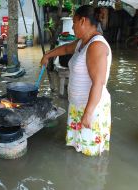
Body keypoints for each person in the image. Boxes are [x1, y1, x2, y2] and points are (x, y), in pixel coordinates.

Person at [41, 5, 112, 156]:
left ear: (83, 21)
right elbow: (66, 49)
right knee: (78, 148)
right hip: (78, 105)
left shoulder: (96, 46)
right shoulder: (82, 42)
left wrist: (88, 113)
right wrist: (48, 55)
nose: (72, 27)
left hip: (91, 108)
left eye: (74, 23)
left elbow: (98, 83)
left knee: (90, 153)